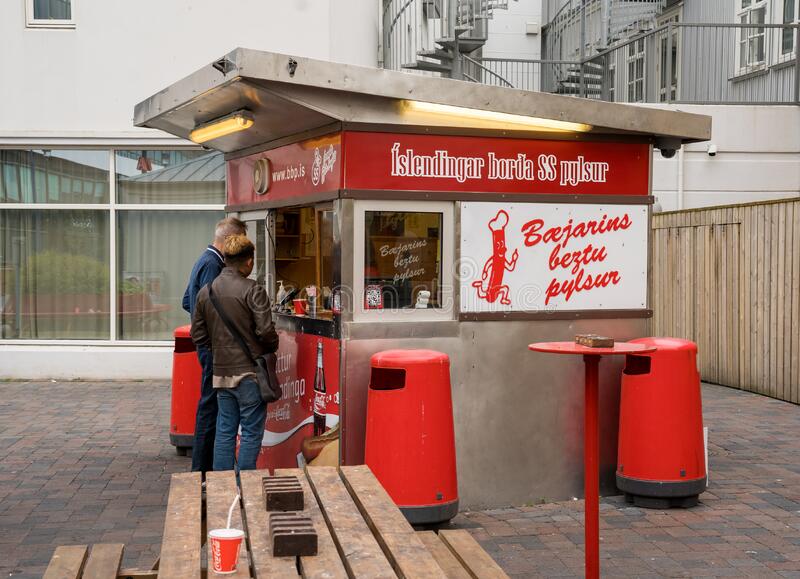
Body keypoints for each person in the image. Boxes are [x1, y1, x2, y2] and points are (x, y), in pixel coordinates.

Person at [190, 234, 279, 471]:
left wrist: (218, 351)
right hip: (250, 374)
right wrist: (269, 348)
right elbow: (266, 331)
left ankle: (223, 487)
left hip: (221, 374)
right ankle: (244, 485)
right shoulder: (253, 290)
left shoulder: (206, 292)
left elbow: (198, 336)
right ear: (249, 261)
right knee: (251, 432)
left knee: (225, 432)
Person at [182, 217, 246, 474]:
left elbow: (188, 301)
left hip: (206, 345)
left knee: (210, 404)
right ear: (230, 240)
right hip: (212, 347)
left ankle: (202, 468)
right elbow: (207, 304)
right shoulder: (213, 264)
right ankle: (202, 470)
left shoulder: (204, 259)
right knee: (210, 407)